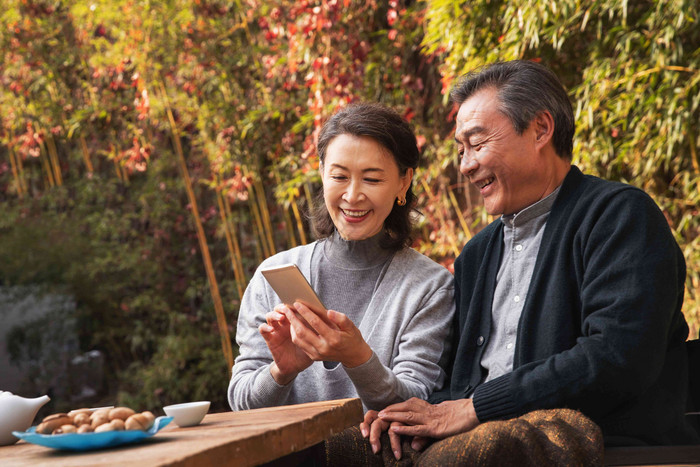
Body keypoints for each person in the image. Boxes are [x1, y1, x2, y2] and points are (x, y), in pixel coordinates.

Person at [352, 60, 699, 463]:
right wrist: (411, 419)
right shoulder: (476, 255)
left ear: (540, 129)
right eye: (461, 150)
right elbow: (458, 385)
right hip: (482, 441)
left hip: (602, 443)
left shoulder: (620, 216)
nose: (465, 165)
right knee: (348, 448)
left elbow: (617, 357)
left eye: (477, 143)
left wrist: (477, 408)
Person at [228, 102, 455, 413]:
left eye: (372, 179)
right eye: (339, 176)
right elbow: (241, 403)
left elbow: (419, 403)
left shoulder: (430, 287)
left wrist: (358, 358)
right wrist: (281, 372)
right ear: (322, 174)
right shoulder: (274, 275)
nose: (352, 195)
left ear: (404, 182)